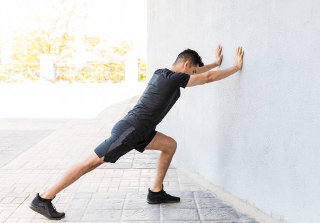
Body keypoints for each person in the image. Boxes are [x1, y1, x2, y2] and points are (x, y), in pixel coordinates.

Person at [29, 45, 244, 220]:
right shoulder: (174, 78)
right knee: (90, 163)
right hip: (130, 130)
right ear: (186, 65)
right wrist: (234, 68)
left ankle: (156, 192)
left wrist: (215, 63)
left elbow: (201, 73)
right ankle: (44, 198)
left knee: (169, 145)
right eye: (193, 70)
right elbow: (206, 78)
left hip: (142, 130)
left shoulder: (162, 73)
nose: (194, 75)